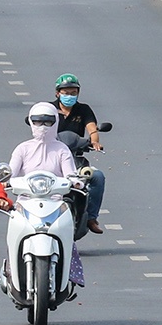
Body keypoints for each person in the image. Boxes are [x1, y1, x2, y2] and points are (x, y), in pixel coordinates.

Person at [10, 102, 84, 289]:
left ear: (56, 122)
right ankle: (11, 271)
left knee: (67, 235)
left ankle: (69, 276)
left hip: (55, 203)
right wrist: (4, 181)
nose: (42, 126)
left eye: (48, 122)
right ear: (30, 122)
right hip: (25, 203)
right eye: (38, 121)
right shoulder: (22, 149)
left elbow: (70, 173)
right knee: (13, 232)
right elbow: (10, 173)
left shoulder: (62, 149)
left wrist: (75, 181)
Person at [53, 74, 105, 234]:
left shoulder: (83, 109)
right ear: (57, 93)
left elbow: (92, 128)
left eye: (73, 93)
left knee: (97, 177)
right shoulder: (50, 109)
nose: (69, 96)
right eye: (66, 92)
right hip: (52, 158)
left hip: (76, 158)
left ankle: (91, 217)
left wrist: (94, 141)